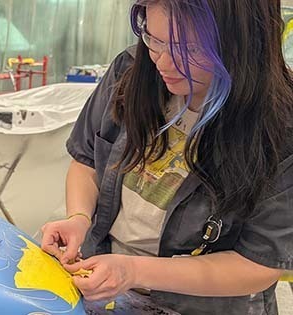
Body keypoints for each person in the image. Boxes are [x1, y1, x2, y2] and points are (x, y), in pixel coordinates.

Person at [41, 0, 293, 314]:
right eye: (154, 40)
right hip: (105, 290)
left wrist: (133, 270)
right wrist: (78, 218)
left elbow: (258, 264)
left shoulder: (281, 126)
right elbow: (88, 160)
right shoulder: (131, 72)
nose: (164, 64)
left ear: (243, 43)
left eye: (190, 51)